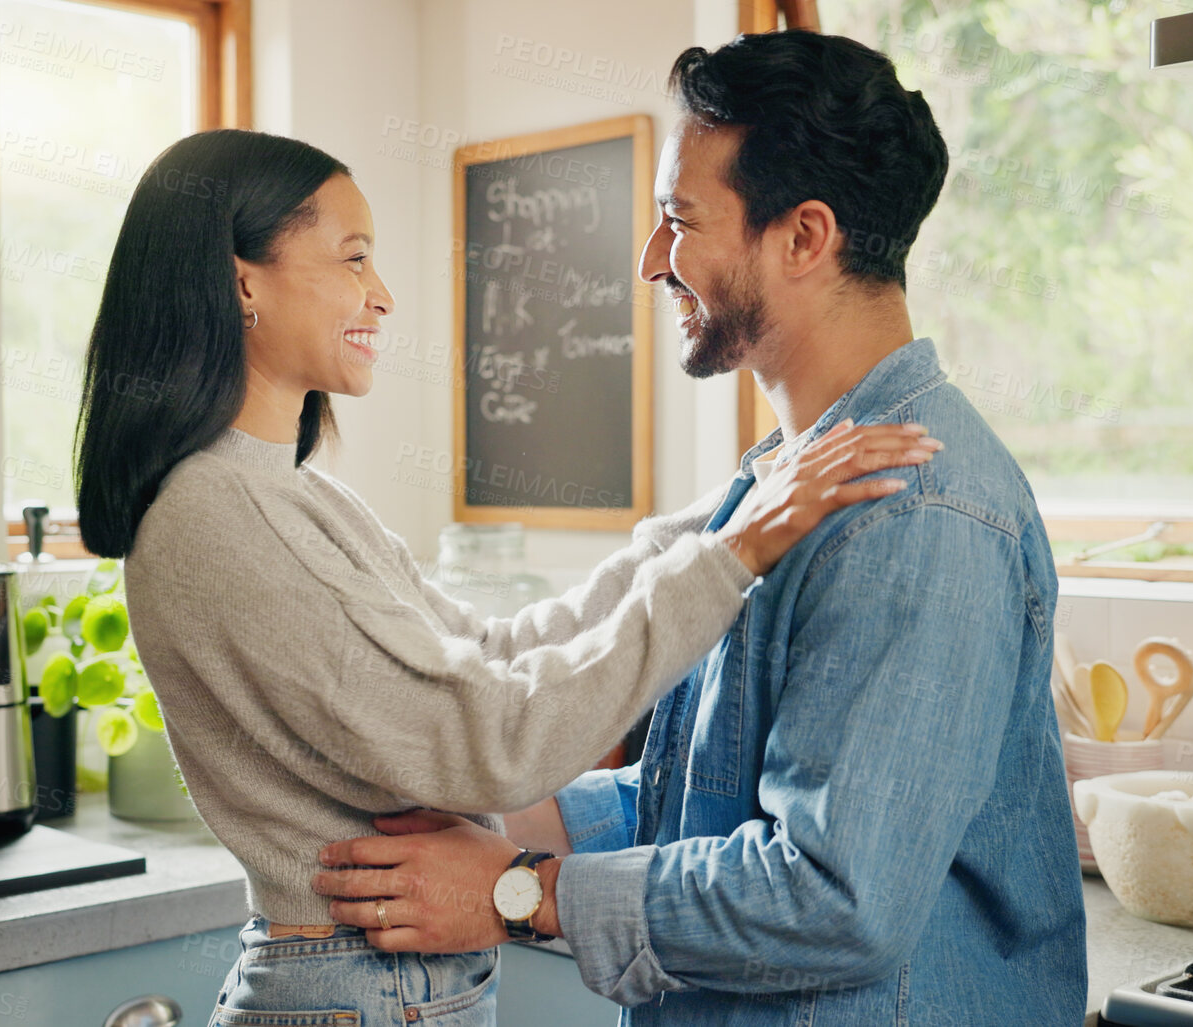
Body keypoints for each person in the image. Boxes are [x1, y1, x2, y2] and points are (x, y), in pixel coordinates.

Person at [71, 127, 942, 1026]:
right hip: (353, 990)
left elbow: (490, 652)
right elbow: (491, 741)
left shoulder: (289, 498)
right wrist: (732, 557)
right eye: (354, 258)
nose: (383, 294)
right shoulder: (217, 511)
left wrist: (728, 511)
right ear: (241, 277)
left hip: (382, 988)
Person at [310, 31, 1089, 1026]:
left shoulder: (916, 513)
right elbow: (717, 801)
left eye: (680, 221)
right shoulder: (786, 483)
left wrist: (521, 890)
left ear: (806, 237)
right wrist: (504, 818)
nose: (649, 263)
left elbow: (833, 895)